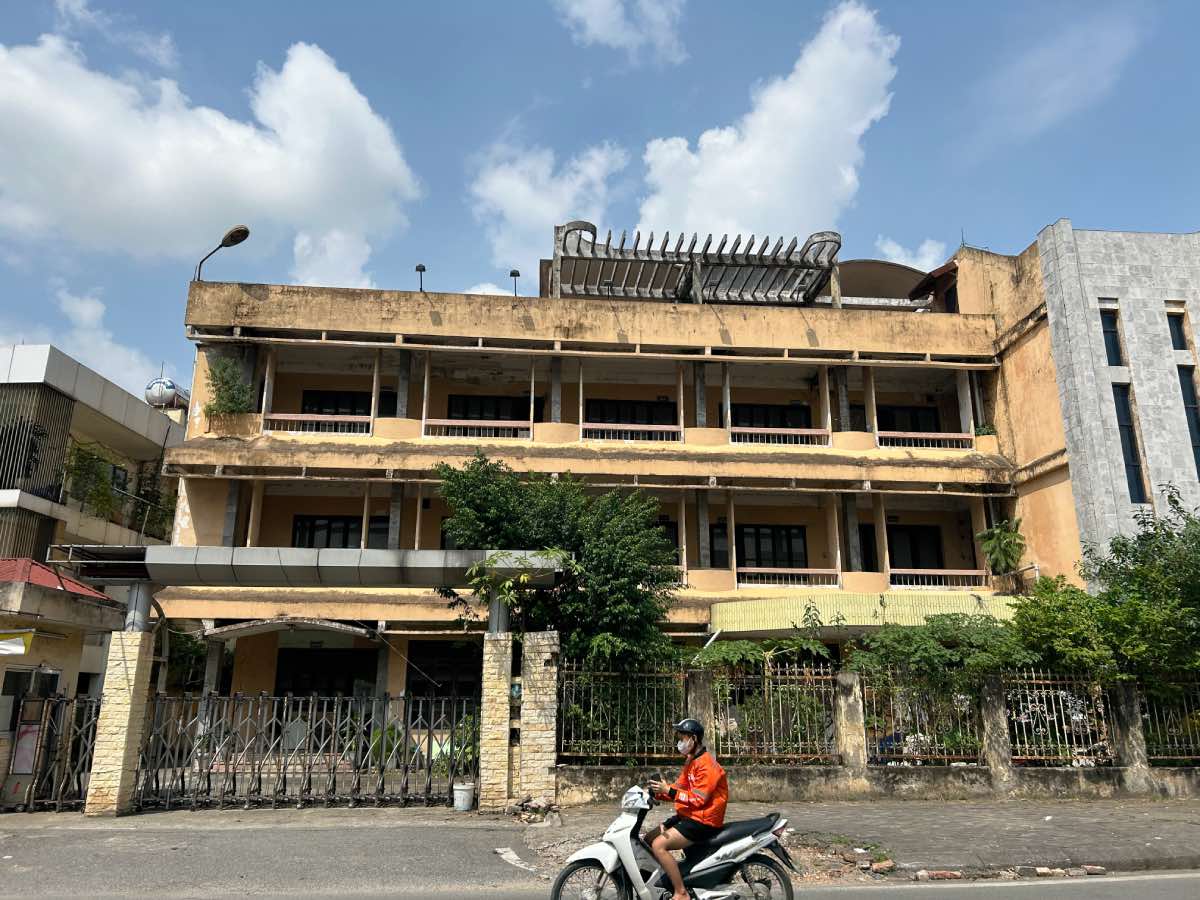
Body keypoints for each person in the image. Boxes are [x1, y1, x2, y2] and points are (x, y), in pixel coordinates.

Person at [647, 718, 728, 900]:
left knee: (658, 845)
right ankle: (662, 880)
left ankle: (680, 892)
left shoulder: (707, 766)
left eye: (683, 738)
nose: (680, 742)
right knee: (649, 837)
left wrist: (669, 790)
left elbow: (698, 799)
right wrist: (657, 792)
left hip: (704, 821)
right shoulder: (691, 761)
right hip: (690, 816)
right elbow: (679, 788)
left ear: (694, 739)